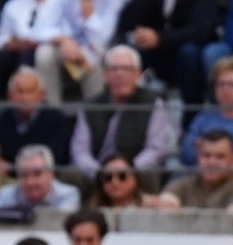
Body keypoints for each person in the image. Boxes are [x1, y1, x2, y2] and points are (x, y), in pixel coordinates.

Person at [69, 45, 175, 180]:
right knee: (71, 175)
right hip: (98, 173)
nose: (119, 74)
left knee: (150, 174)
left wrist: (128, 171)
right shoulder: (90, 107)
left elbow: (156, 149)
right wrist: (98, 173)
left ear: (138, 74)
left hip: (134, 174)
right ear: (105, 75)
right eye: (114, 69)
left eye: (126, 69)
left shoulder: (154, 103)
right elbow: (80, 151)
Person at [0, 0, 68, 125]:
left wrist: (35, 41)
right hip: (15, 50)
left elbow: (67, 33)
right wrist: (12, 43)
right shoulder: (13, 5)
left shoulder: (63, 4)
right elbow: (0, 39)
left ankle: (28, 118)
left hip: (47, 51)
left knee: (31, 56)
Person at [114, 0, 216, 118]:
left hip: (189, 55)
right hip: (158, 52)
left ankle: (191, 119)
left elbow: (200, 31)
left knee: (188, 54)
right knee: (126, 55)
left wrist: (160, 38)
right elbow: (127, 22)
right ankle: (123, 116)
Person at [35, 0, 120, 104]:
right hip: (67, 48)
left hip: (100, 49)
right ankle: (52, 111)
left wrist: (89, 16)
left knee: (90, 59)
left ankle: (94, 114)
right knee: (44, 53)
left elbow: (103, 38)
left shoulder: (112, 3)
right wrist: (64, 39)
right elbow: (40, 30)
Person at [179, 58, 233, 167]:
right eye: (221, 84)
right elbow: (187, 152)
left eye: (232, 85)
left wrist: (203, 146)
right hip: (201, 174)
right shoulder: (204, 117)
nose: (226, 89)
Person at [0, 65, 72, 163]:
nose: (25, 97)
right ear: (9, 96)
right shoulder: (1, 120)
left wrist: (11, 166)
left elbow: (56, 158)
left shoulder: (57, 120)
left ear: (42, 95)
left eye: (30, 91)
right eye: (20, 91)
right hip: (8, 177)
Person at [157, 129, 233, 207]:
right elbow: (165, 199)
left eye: (220, 157)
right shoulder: (184, 186)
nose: (211, 162)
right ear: (198, 158)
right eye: (206, 155)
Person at [0, 143, 82, 208]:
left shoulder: (68, 195)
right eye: (24, 176)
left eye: (37, 174)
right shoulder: (6, 195)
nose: (30, 182)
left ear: (51, 174)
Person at [89, 153, 157, 207]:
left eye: (122, 176)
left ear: (135, 178)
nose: (114, 182)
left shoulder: (153, 206)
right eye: (108, 177)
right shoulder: (93, 210)